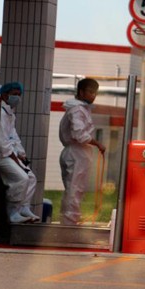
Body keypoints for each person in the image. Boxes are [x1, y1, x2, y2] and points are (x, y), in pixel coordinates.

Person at [58, 78, 106, 225]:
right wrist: (97, 143)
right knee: (75, 188)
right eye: (90, 92)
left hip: (78, 152)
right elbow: (79, 134)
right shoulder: (77, 109)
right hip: (76, 153)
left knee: (74, 187)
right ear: (81, 92)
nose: (93, 96)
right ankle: (70, 222)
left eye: (95, 93)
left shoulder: (81, 108)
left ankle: (69, 220)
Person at [0, 82, 40, 224]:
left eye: (19, 95)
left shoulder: (10, 114)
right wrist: (17, 162)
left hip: (11, 154)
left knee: (31, 177)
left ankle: (23, 208)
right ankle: (13, 213)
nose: (17, 98)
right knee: (22, 178)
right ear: (4, 95)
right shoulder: (1, 114)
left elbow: (14, 137)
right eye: (14, 94)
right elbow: (3, 144)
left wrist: (22, 154)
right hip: (2, 156)